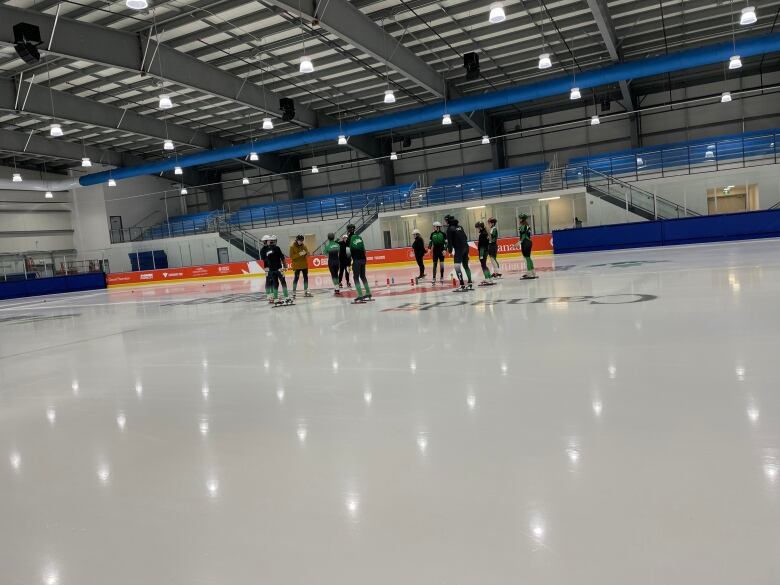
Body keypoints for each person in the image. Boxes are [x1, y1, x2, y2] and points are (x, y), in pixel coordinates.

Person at [445, 214, 473, 291]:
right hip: (466, 248)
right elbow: (465, 237)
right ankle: (470, 283)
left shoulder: (450, 229)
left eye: (445, 221)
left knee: (457, 267)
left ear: (448, 221)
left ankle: (462, 284)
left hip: (459, 250)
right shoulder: (460, 227)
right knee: (466, 266)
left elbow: (449, 242)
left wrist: (450, 251)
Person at [346, 224, 372, 302]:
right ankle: (368, 292)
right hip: (363, 259)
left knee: (355, 277)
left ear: (348, 230)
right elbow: (364, 250)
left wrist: (348, 263)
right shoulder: (359, 237)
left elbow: (348, 252)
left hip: (356, 260)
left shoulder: (349, 239)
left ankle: (360, 295)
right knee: (363, 276)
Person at [264, 235, 293, 305]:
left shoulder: (267, 250)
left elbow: (266, 260)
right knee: (283, 282)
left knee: (275, 284)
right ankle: (286, 297)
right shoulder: (277, 248)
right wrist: (285, 266)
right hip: (279, 269)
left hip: (271, 270)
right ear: (275, 241)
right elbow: (282, 257)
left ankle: (276, 299)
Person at [475, 221, 494, 286]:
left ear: (480, 227)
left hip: (483, 252)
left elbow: (482, 246)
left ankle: (487, 279)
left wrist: (481, 255)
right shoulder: (486, 233)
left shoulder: (482, 235)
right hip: (486, 251)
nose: (477, 229)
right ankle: (490, 278)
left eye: (477, 228)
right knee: (484, 265)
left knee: (483, 265)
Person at [518, 214, 536, 279]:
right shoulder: (528, 226)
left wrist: (519, 242)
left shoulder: (522, 226)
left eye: (520, 218)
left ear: (522, 219)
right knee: (528, 257)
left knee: (526, 258)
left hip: (525, 242)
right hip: (529, 242)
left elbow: (523, 235)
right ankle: (533, 272)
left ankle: (529, 273)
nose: (519, 220)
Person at [259, 234, 273, 302]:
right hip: (267, 267)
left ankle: (273, 295)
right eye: (268, 240)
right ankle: (268, 295)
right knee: (268, 280)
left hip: (273, 266)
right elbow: (264, 259)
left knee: (273, 280)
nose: (269, 241)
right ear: (265, 241)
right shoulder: (262, 250)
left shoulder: (271, 248)